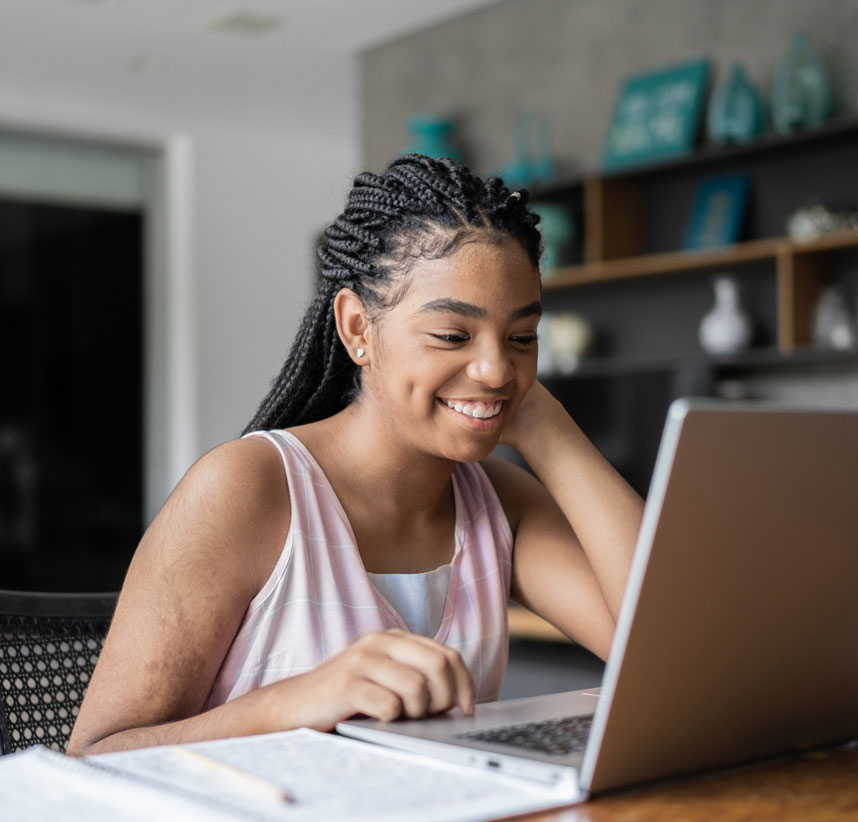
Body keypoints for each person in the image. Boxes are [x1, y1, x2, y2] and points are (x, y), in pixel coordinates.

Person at [68, 155, 644, 755]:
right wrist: (297, 701)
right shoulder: (247, 489)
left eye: (522, 338)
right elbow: (93, 756)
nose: (497, 368)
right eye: (452, 335)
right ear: (358, 330)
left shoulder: (499, 502)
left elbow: (662, 650)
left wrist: (549, 427)